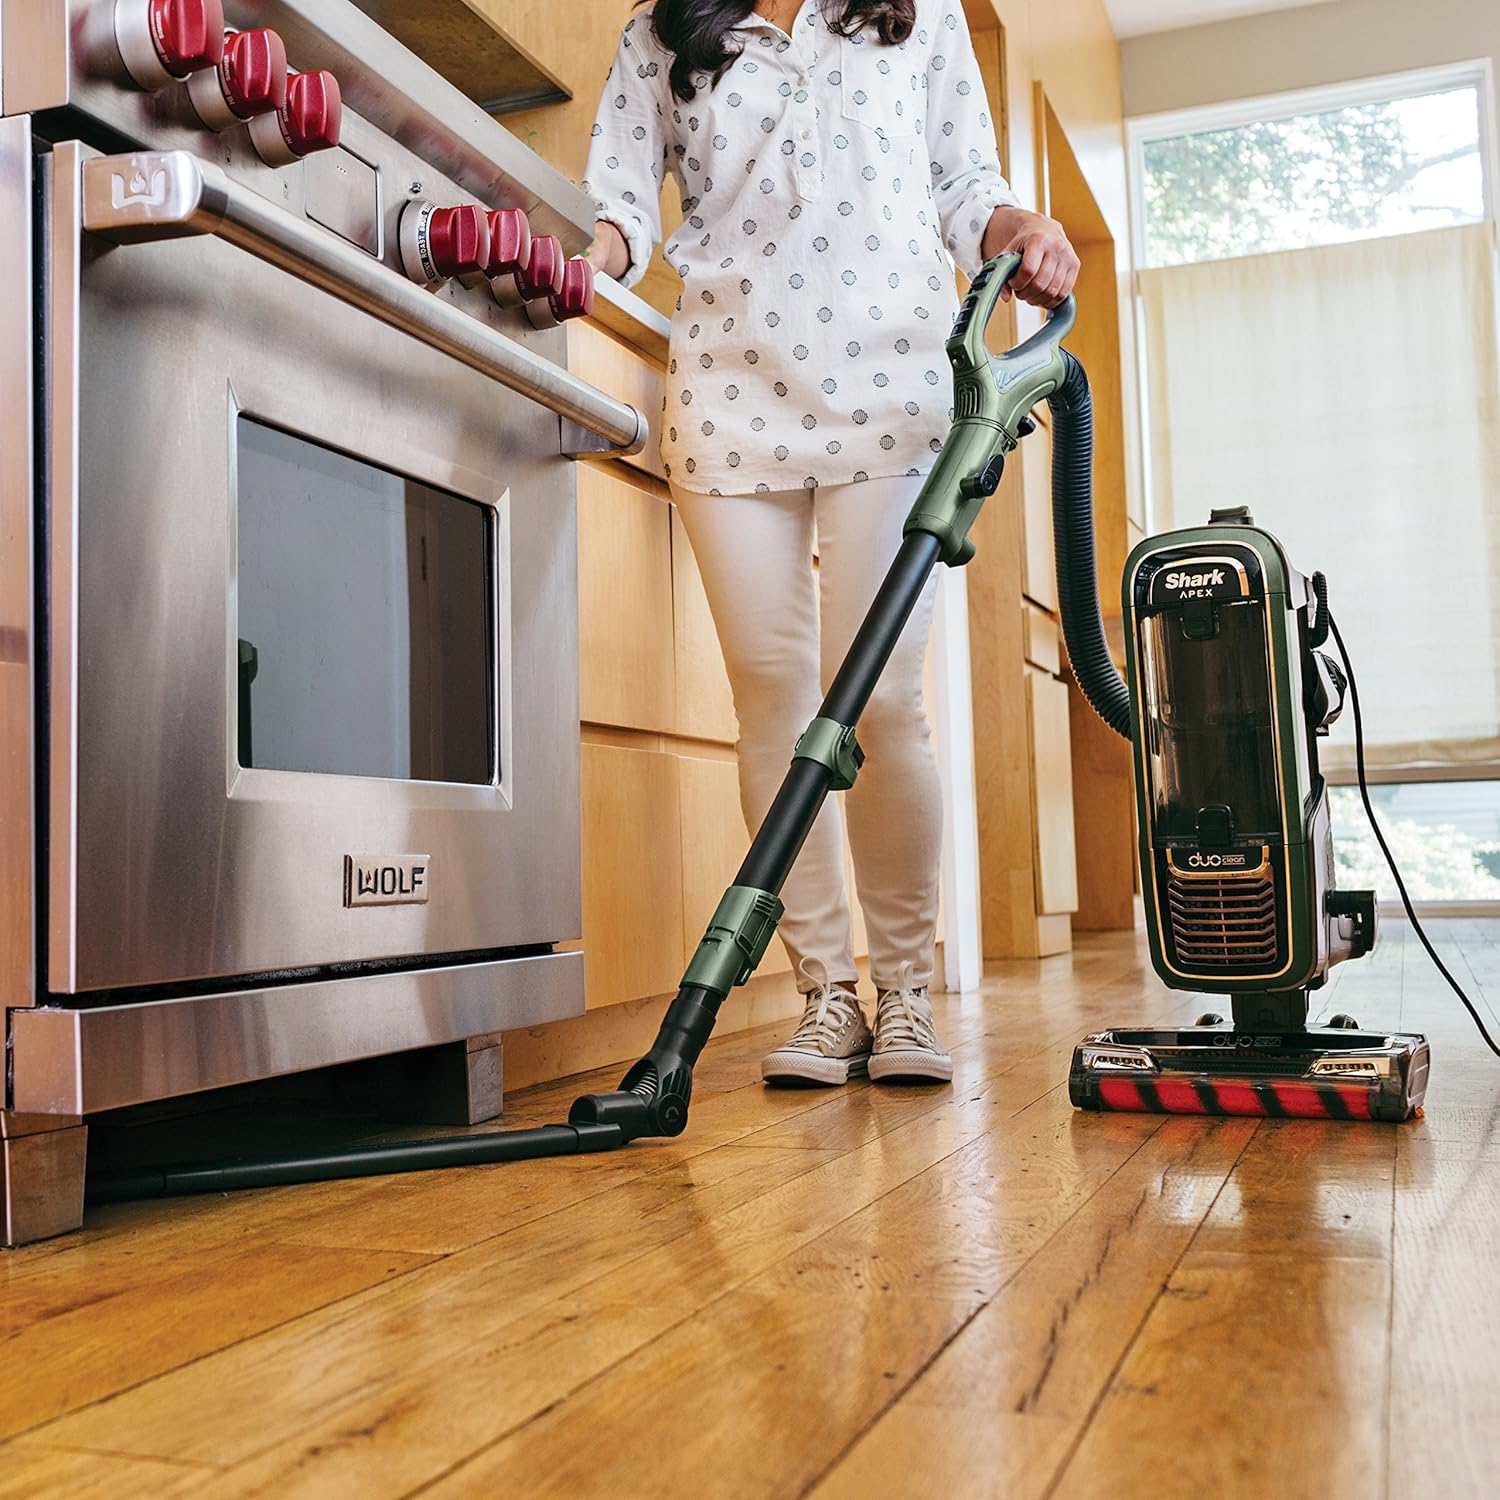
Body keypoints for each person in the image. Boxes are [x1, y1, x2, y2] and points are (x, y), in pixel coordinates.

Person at [583, 0, 1079, 1087]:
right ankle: (826, 999)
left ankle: (903, 990)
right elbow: (616, 201)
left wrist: (1023, 232)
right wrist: (586, 250)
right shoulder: (664, 34)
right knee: (772, 699)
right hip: (725, 388)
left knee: (884, 699)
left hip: (896, 387)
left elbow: (966, 192)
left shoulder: (918, 17)